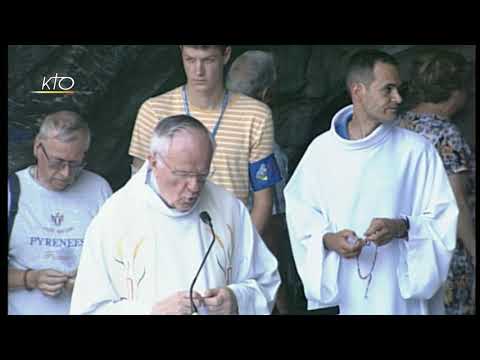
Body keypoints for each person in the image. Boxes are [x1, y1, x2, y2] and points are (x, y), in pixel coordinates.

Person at [284, 49, 458, 315]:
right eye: (387, 89)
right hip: (346, 293)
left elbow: (442, 220)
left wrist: (401, 227)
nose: (398, 98)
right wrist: (328, 240)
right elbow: (300, 213)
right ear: (358, 90)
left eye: (398, 89)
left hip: (401, 296)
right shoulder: (322, 151)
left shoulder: (416, 151)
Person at [70, 115, 280, 315]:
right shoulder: (115, 217)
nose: (194, 187)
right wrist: (151, 312)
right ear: (153, 162)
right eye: (183, 175)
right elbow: (88, 308)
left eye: (202, 175)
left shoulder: (228, 208)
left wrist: (236, 299)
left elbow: (266, 281)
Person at [128, 45, 281, 236]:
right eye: (190, 60)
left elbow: (264, 199)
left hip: (229, 237)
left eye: (208, 60)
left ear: (226, 54)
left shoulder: (256, 115)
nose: (198, 71)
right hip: (166, 237)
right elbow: (137, 187)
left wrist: (242, 249)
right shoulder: (154, 111)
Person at [8, 110, 112, 315]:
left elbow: (119, 263)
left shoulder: (99, 189)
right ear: (38, 148)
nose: (66, 173)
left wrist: (88, 281)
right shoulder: (13, 191)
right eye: (57, 163)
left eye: (75, 164)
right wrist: (30, 279)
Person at [226, 50, 305, 314]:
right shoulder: (264, 148)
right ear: (267, 94)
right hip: (254, 285)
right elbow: (271, 226)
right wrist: (284, 304)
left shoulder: (200, 134)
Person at [397, 49, 475, 315]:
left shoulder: (399, 125)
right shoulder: (446, 134)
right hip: (446, 250)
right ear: (455, 92)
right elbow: (457, 204)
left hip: (406, 242)